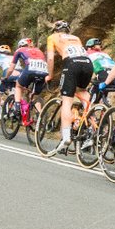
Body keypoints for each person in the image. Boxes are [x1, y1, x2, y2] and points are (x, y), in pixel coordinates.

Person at [45, 20, 93, 155]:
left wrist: (49, 75)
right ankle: (93, 126)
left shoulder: (52, 37)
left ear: (55, 30)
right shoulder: (76, 38)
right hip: (87, 63)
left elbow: (50, 59)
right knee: (83, 92)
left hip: (72, 63)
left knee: (67, 100)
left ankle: (66, 138)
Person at [3, 38, 48, 125]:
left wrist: (6, 77)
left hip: (30, 69)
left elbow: (11, 68)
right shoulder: (38, 50)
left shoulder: (19, 50)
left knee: (18, 86)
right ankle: (39, 117)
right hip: (44, 71)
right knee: (35, 95)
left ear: (20, 45)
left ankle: (16, 107)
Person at [85, 38, 115, 104]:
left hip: (103, 75)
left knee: (91, 94)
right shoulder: (105, 54)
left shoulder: (87, 54)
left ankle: (89, 108)